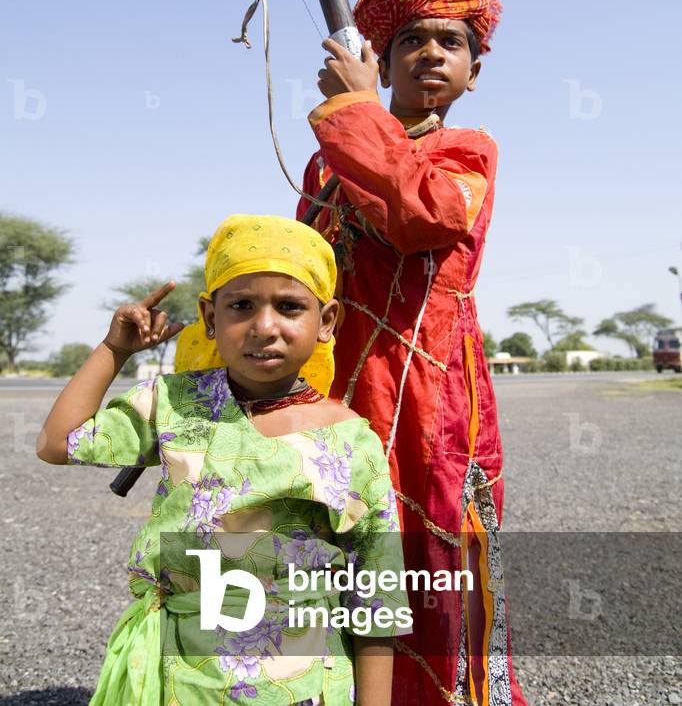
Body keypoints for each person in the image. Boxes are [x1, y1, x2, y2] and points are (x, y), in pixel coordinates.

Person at [36, 214, 409, 706]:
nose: (265, 326)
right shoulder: (172, 403)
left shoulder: (348, 439)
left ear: (325, 322)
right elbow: (58, 443)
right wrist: (113, 350)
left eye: (290, 307)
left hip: (298, 683)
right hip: (179, 677)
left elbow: (376, 593)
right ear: (211, 318)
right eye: (241, 306)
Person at [296, 0, 528, 706]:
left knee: (420, 545)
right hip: (335, 381)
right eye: (413, 40)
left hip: (429, 386)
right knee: (324, 536)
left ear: (474, 71)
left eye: (451, 42)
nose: (432, 52)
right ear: (383, 59)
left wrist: (356, 112)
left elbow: (421, 216)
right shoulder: (325, 162)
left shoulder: (468, 153)